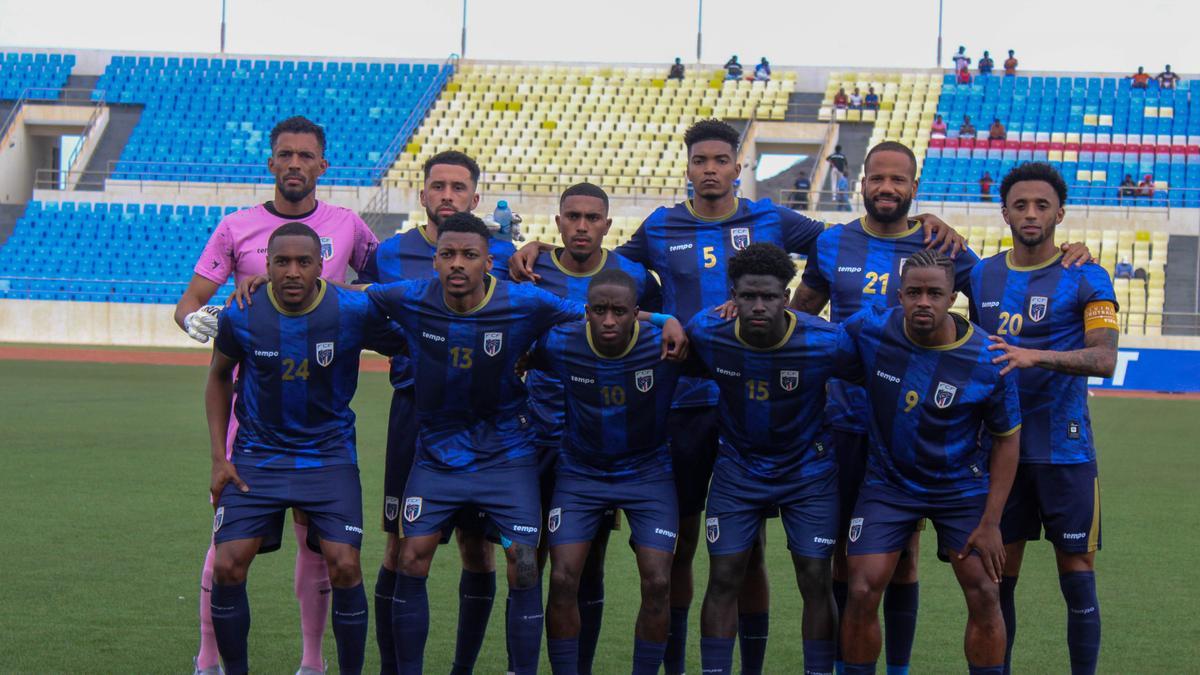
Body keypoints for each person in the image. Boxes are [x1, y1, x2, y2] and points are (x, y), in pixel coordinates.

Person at [508, 119, 962, 675]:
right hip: (680, 400)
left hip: (766, 403)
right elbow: (605, 266)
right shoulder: (659, 226)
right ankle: (673, 662)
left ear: (736, 166)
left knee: (795, 558)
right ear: (689, 167)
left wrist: (922, 224)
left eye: (721, 160)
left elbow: (855, 235)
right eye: (701, 161)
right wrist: (542, 247)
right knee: (682, 545)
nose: (711, 170)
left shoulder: (773, 219)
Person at [363, 213, 686, 674]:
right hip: (436, 454)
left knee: (524, 562)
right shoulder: (408, 296)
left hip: (508, 455)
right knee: (411, 557)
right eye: (448, 255)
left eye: (469, 255)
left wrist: (663, 316)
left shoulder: (525, 300)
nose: (458, 264)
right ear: (434, 260)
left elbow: (595, 312)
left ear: (488, 262)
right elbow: (357, 301)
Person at [174, 115, 379, 675]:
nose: (294, 164)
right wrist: (221, 317)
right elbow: (189, 307)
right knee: (225, 551)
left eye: (305, 155)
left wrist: (342, 290)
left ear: (322, 165)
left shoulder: (349, 227)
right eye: (285, 154)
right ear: (271, 163)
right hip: (255, 421)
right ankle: (209, 658)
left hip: (322, 421)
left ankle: (312, 662)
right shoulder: (236, 227)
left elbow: (383, 290)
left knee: (320, 548)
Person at [791, 141, 976, 675]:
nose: (887, 188)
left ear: (915, 188)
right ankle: (836, 664)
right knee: (843, 555)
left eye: (899, 180)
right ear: (863, 183)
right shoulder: (833, 243)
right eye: (878, 179)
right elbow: (804, 314)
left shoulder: (942, 246)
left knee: (904, 556)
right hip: (845, 420)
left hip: (914, 426)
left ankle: (896, 667)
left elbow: (995, 295)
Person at [205, 222, 404, 675]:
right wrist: (220, 458)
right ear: (266, 266)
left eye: (303, 262)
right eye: (281, 262)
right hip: (258, 458)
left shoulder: (352, 311)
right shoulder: (242, 313)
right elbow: (218, 377)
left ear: (321, 266)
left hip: (329, 457)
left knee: (345, 566)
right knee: (229, 565)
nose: (292, 271)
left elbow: (408, 337)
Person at [354, 150, 515, 673]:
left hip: (487, 421)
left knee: (477, 549)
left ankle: (462, 668)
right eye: (438, 186)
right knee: (400, 547)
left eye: (458, 187)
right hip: (416, 414)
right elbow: (360, 306)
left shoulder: (504, 254)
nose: (447, 195)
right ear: (422, 194)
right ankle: (393, 667)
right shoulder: (390, 253)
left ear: (475, 196)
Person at [838, 250, 1023, 675]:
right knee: (862, 589)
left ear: (953, 297)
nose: (924, 301)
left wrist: (992, 521)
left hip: (960, 487)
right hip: (888, 484)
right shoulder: (871, 328)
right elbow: (811, 339)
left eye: (935, 293)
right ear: (899, 295)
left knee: (984, 592)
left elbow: (1007, 441)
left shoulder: (987, 358)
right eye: (914, 292)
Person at [970, 162, 1120, 675]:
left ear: (1060, 212)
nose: (1030, 214)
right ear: (1004, 210)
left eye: (1041, 205)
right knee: (996, 580)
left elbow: (1104, 360)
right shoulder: (981, 274)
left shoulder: (1086, 275)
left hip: (1067, 451)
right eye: (1020, 204)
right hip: (1000, 452)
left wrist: (1034, 356)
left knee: (1076, 574)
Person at [688, 243, 848, 675]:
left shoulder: (826, 340)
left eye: (770, 297)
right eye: (748, 297)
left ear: (787, 293)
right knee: (723, 577)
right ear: (732, 295)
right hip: (738, 468)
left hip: (808, 471)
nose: (759, 306)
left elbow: (872, 371)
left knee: (815, 578)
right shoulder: (706, 331)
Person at [524, 183, 663, 673]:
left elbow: (655, 324)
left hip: (601, 438)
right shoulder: (529, 267)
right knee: (529, 558)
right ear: (557, 221)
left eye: (592, 218)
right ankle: (521, 662)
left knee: (589, 559)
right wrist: (530, 247)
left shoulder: (634, 276)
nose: (581, 226)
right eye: (572, 216)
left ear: (607, 224)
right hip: (537, 429)